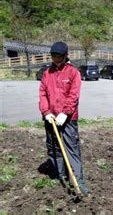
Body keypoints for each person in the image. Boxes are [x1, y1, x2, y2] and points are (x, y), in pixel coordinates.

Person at [39, 41, 89, 193]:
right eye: (53, 56)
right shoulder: (47, 73)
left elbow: (74, 95)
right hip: (51, 118)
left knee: (72, 149)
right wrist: (46, 112)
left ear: (65, 55)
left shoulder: (73, 73)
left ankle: (78, 182)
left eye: (59, 56)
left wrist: (65, 112)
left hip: (68, 118)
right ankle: (59, 175)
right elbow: (42, 93)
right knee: (53, 147)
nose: (55, 59)